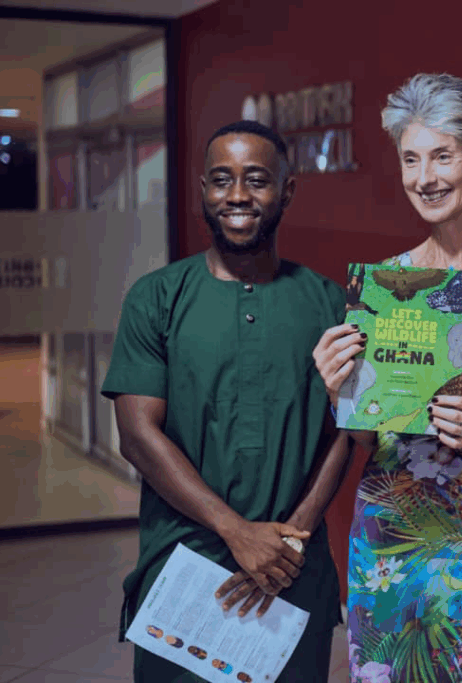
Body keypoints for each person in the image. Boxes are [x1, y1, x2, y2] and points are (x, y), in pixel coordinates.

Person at [313, 73, 462, 682]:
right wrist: (338, 391)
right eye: (410, 159)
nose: (425, 178)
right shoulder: (383, 286)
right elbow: (366, 440)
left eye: (443, 155)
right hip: (391, 539)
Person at [102, 120, 355, 681]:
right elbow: (139, 436)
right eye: (221, 180)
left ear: (286, 191)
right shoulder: (157, 299)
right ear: (203, 191)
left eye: (257, 180)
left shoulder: (330, 303)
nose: (237, 195)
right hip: (183, 568)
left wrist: (292, 536)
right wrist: (238, 532)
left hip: (294, 569)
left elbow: (349, 428)